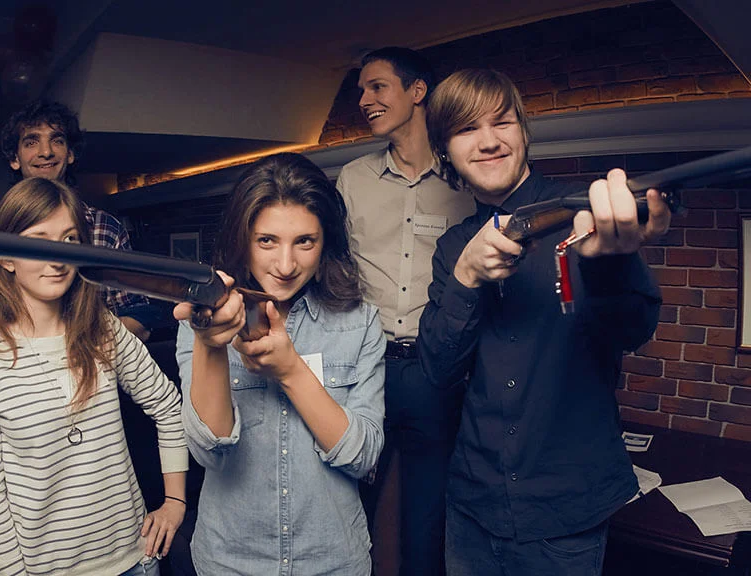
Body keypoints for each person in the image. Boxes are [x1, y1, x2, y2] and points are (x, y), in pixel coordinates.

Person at [419, 69, 671, 575]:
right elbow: (439, 370)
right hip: (471, 506)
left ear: (523, 131)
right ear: (445, 150)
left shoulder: (583, 214)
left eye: (502, 122)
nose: (489, 141)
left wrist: (612, 262)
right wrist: (467, 276)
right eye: (467, 128)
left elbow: (633, 330)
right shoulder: (453, 247)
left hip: (566, 513)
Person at [0, 177, 188, 575]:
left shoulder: (102, 328)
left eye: (69, 240)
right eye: (38, 240)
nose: (57, 258)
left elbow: (168, 406)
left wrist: (175, 501)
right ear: (5, 257)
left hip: (135, 561)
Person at [174, 153, 385, 575]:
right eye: (267, 241)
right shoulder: (202, 321)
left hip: (332, 561)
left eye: (305, 242)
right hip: (231, 562)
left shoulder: (359, 322)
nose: (286, 266)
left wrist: (290, 372)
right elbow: (209, 452)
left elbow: (363, 457)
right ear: (242, 241)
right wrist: (210, 345)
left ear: (326, 244)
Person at [336, 46, 475, 576]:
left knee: (427, 518)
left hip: (435, 371)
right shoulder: (353, 178)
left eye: (377, 87)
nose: (364, 100)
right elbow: (334, 269)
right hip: (363, 366)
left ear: (418, 91)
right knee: (348, 503)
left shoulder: (465, 180)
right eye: (361, 91)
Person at [0, 99, 159, 340]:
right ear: (14, 158)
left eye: (57, 140)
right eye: (31, 142)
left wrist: (81, 346)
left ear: (70, 154)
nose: (46, 152)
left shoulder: (105, 228)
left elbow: (139, 315)